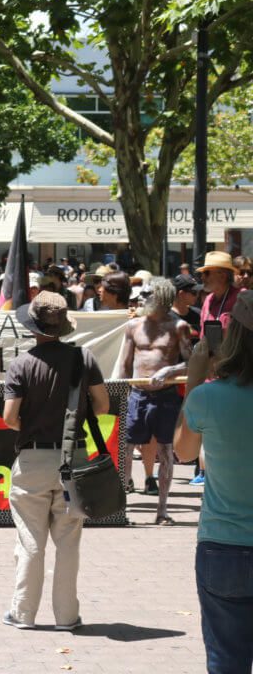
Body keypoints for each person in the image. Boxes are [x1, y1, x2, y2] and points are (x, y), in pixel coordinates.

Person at [1, 291, 109, 631]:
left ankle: (23, 613)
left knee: (30, 540)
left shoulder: (21, 364)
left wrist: (29, 426)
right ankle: (66, 616)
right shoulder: (84, 359)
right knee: (68, 540)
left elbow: (8, 417)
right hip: (72, 457)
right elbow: (103, 406)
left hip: (32, 459)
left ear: (32, 327)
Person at [174, 290, 253, 672]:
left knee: (226, 658)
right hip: (225, 546)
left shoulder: (208, 397)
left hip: (225, 545)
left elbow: (184, 452)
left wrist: (194, 377)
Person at [117, 278, 193, 519]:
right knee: (126, 449)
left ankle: (162, 509)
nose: (142, 297)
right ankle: (121, 507)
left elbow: (192, 362)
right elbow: (125, 364)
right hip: (137, 395)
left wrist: (169, 370)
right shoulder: (133, 326)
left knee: (166, 450)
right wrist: (120, 394)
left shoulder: (178, 326)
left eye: (147, 294)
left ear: (161, 296)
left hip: (166, 397)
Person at [197, 251, 244, 330]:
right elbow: (203, 336)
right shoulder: (208, 300)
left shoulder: (242, 298)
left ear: (222, 276)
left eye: (206, 273)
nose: (202, 277)